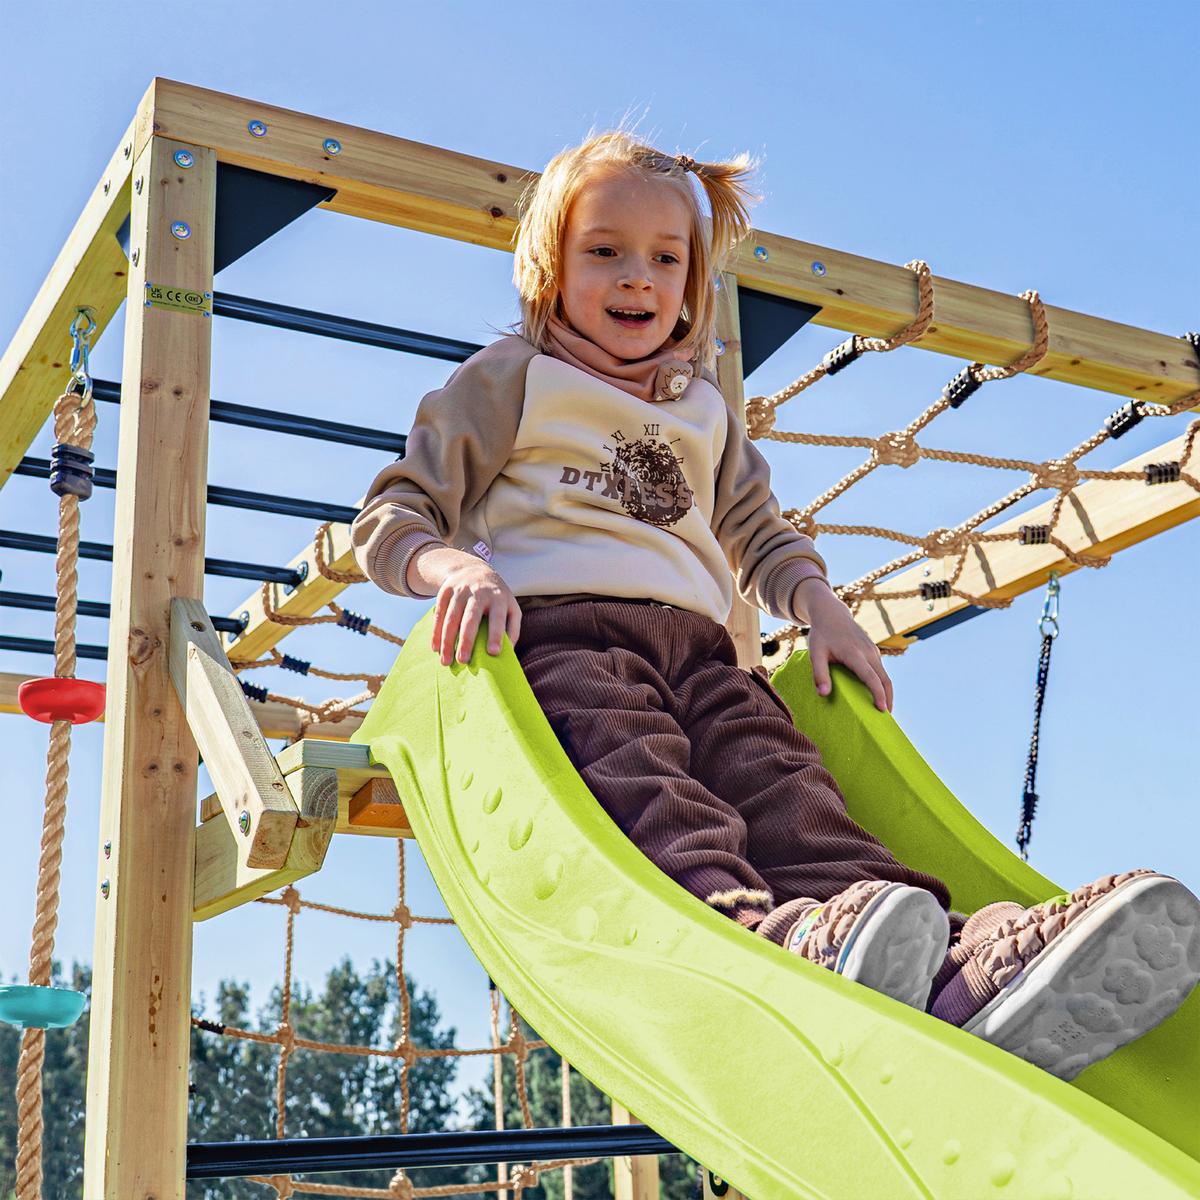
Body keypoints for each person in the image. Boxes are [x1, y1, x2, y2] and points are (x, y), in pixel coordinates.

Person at [350, 129, 1200, 1081]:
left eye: (665, 259)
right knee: (657, 800)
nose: (637, 278)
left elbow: (755, 527)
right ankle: (765, 942)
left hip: (709, 659)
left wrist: (818, 603)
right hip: (566, 645)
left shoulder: (703, 408)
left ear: (693, 283)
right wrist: (447, 569)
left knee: (794, 799)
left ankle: (959, 965)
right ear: (549, 267)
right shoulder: (510, 380)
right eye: (605, 252)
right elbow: (395, 510)